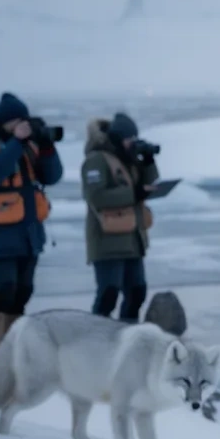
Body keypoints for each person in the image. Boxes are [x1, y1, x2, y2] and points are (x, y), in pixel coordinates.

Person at [0, 92, 63, 360]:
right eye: (18, 122)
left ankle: (10, 350)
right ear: (6, 122)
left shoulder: (26, 146)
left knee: (22, 291)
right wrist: (16, 143)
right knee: (2, 289)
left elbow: (52, 176)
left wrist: (45, 146)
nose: (24, 126)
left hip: (28, 235)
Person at [80, 112, 160, 322]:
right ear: (116, 138)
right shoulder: (97, 160)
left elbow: (149, 184)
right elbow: (96, 196)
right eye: (128, 139)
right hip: (107, 240)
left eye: (134, 139)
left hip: (132, 239)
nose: (132, 143)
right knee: (108, 294)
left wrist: (148, 160)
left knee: (137, 292)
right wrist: (135, 193)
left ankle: (127, 337)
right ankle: (95, 340)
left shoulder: (129, 160)